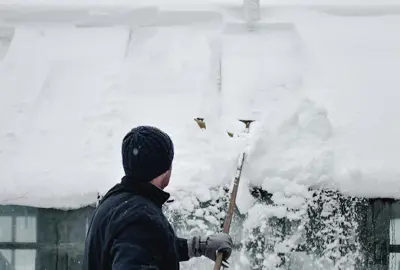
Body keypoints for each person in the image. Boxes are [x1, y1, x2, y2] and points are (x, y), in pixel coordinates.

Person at [83, 125, 233, 270]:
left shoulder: (115, 201)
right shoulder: (139, 219)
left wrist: (197, 247)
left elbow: (147, 247)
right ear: (166, 170)